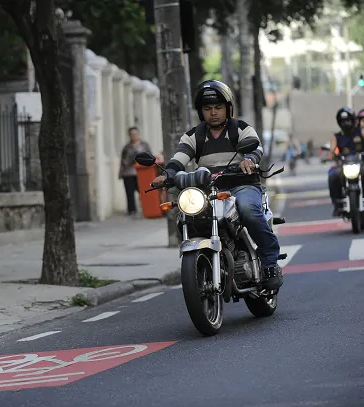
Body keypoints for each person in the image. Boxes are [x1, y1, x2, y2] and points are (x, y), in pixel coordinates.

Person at [150, 80, 283, 290]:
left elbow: (255, 149)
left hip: (242, 185)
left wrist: (249, 160)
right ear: (200, 111)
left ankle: (269, 261)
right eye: (208, 108)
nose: (213, 113)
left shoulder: (240, 128)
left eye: (218, 107)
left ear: (227, 108)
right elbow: (179, 159)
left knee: (248, 209)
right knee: (187, 214)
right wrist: (168, 174)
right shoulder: (194, 136)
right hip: (209, 190)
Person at [326, 107, 364, 218]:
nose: (346, 123)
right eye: (343, 121)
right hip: (343, 165)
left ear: (353, 120)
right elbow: (331, 151)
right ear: (339, 122)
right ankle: (337, 205)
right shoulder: (335, 137)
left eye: (348, 120)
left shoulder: (362, 132)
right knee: (331, 175)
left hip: (362, 164)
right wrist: (331, 156)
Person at [119, 126, 152, 216]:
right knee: (129, 193)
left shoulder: (144, 145)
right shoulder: (126, 147)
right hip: (129, 173)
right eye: (132, 134)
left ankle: (148, 209)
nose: (134, 136)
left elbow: (150, 157)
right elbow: (123, 161)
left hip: (142, 172)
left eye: (135, 134)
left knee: (144, 191)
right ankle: (132, 210)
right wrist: (121, 173)